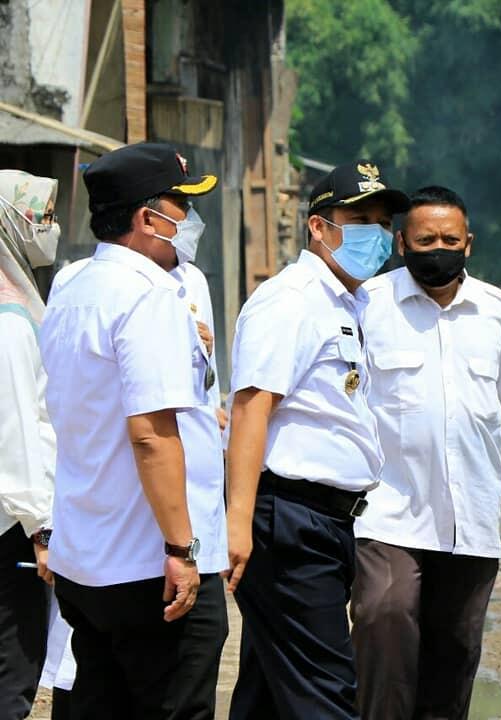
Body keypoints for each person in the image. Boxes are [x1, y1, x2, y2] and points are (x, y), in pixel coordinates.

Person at [38, 143, 228, 719]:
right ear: (148, 218)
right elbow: (150, 433)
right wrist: (181, 548)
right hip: (149, 564)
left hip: (88, 558)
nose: (191, 222)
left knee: (101, 703)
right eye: (182, 205)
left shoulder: (73, 288)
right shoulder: (146, 296)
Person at [225, 161, 408, 719]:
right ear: (319, 227)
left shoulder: (349, 302)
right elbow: (253, 407)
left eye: (381, 220)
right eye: (358, 218)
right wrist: (237, 522)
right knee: (326, 693)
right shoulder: (293, 300)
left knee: (269, 691)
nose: (374, 233)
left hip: (325, 521)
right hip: (290, 522)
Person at [352, 185, 501, 719]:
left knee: (455, 650)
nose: (438, 248)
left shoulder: (496, 311)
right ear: (402, 244)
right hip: (388, 508)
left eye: (449, 239)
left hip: (471, 515)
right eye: (425, 239)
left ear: (468, 243)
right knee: (384, 615)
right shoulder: (369, 305)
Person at [0, 169, 59, 720]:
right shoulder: (12, 320)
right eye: (38, 216)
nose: (50, 227)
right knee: (14, 673)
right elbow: (18, 435)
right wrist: (41, 529)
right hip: (11, 529)